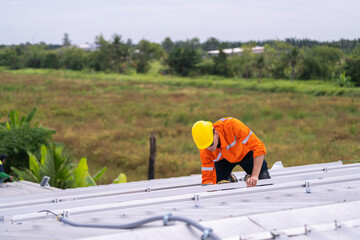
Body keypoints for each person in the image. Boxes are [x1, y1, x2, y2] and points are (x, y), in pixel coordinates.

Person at [191, 117, 270, 187]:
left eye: (211, 144)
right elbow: (208, 178)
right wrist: (210, 190)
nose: (209, 148)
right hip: (223, 161)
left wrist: (254, 176)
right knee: (222, 184)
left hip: (245, 153)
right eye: (206, 146)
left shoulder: (232, 125)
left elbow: (259, 148)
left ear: (215, 133)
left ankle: (249, 176)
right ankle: (229, 178)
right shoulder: (205, 148)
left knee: (263, 177)